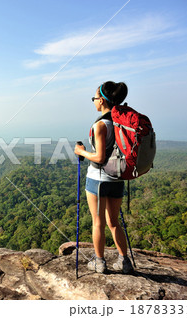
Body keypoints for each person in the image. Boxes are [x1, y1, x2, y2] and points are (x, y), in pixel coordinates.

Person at [74, 81, 134, 274]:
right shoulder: (120, 123)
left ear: (101, 100)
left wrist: (81, 152)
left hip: (98, 179)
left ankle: (99, 262)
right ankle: (124, 261)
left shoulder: (101, 125)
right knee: (114, 222)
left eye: (94, 98)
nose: (94, 102)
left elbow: (99, 157)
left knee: (98, 222)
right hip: (117, 179)